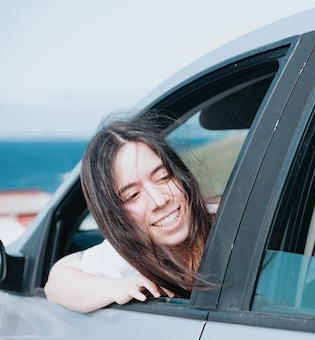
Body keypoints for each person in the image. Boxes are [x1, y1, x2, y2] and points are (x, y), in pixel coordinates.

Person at [44, 112, 215, 313]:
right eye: (133, 195)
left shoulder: (229, 220)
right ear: (113, 214)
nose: (159, 200)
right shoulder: (127, 257)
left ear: (180, 175)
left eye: (163, 177)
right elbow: (56, 283)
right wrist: (119, 287)